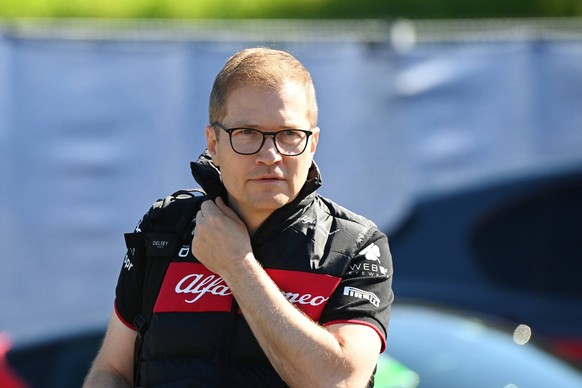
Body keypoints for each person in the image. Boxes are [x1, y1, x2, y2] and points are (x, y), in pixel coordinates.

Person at [84, 47, 394, 387]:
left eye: (289, 134)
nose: (270, 155)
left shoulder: (357, 246)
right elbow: (111, 370)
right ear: (213, 143)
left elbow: (339, 382)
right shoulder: (164, 229)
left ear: (313, 143)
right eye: (247, 133)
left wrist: (238, 265)